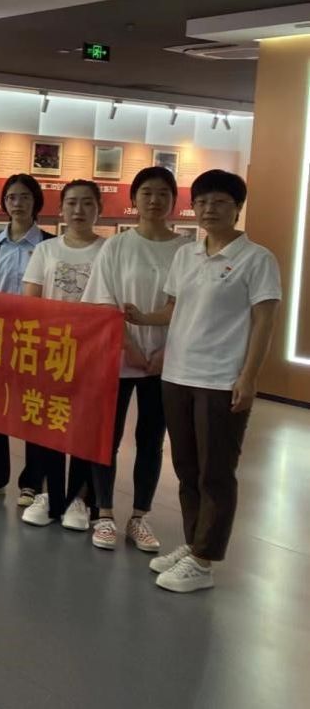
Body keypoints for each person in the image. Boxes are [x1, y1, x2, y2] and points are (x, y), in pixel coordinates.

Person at [126, 170, 280, 593]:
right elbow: (173, 309)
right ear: (193, 207)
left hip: (220, 379)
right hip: (177, 375)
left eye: (220, 202)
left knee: (216, 472)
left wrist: (249, 377)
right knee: (187, 468)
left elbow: (264, 322)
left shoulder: (257, 259)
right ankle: (194, 543)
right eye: (202, 202)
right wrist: (142, 318)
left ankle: (205, 560)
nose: (209, 209)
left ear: (237, 208)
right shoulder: (186, 254)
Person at [81, 166, 190, 553]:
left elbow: (189, 307)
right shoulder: (117, 246)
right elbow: (103, 301)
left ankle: (140, 516)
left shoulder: (186, 250)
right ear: (133, 200)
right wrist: (130, 346)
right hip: (118, 357)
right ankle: (104, 513)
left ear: (173, 200)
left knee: (151, 439)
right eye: (146, 193)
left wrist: (164, 350)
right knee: (106, 436)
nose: (154, 200)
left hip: (166, 361)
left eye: (163, 193)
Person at [19, 179, 104, 531]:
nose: (78, 210)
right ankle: (49, 495)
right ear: (61, 209)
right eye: (71, 203)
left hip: (94, 355)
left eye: (87, 203)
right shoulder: (46, 250)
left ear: (99, 209)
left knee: (85, 427)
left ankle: (79, 498)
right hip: (52, 352)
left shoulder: (108, 251)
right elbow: (30, 301)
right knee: (49, 423)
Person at [0, 174, 50, 503]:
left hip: (36, 338)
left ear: (36, 202)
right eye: (12, 197)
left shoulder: (48, 245)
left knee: (34, 408)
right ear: (4, 202)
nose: (18, 203)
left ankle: (33, 483)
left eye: (25, 197)